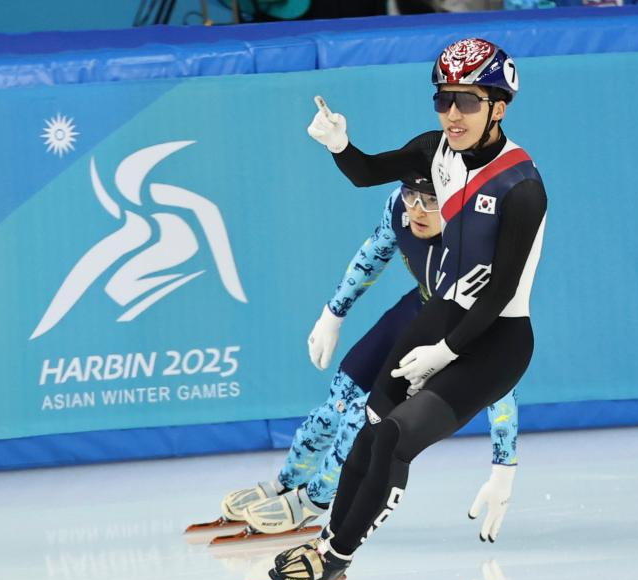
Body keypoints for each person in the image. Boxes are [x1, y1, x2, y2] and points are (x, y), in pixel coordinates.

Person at [269, 38, 546, 580]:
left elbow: (500, 294)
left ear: (498, 106)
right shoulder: (433, 150)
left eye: (467, 101)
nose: (452, 114)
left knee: (396, 437)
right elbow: (366, 172)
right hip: (440, 316)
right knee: (370, 429)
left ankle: (337, 555)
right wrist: (340, 145)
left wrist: (445, 353)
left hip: (497, 339)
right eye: (443, 100)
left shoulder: (522, 187)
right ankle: (328, 542)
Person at [218, 176, 520, 542]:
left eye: (431, 200)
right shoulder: (398, 206)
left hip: (455, 332)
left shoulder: (479, 241)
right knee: (336, 401)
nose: (417, 210)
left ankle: (314, 500)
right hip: (419, 308)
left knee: (362, 419)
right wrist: (333, 314)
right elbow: (374, 254)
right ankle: (287, 481)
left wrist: (504, 463)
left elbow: (500, 371)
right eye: (411, 195)